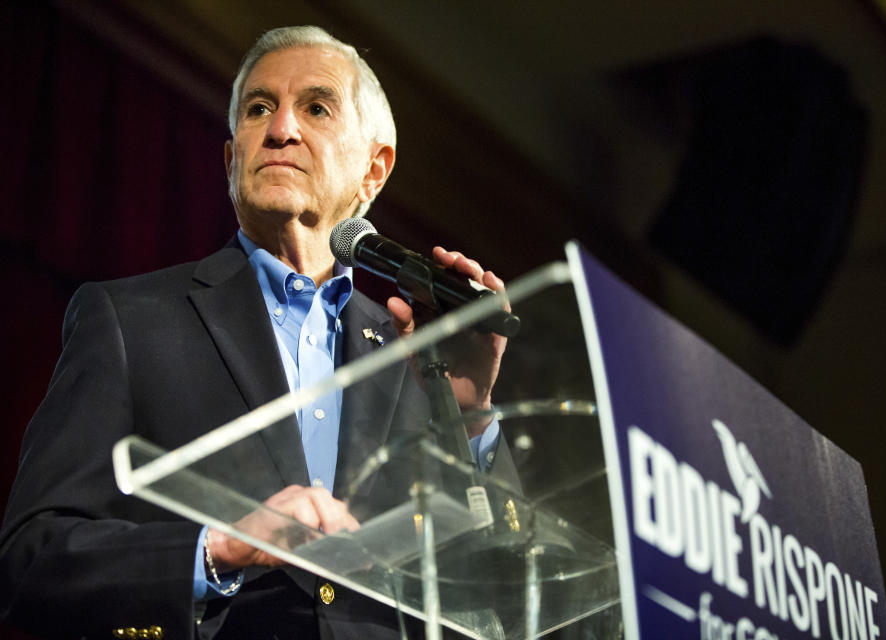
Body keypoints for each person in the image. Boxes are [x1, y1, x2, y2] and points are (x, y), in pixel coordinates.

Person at [0, 25, 514, 639]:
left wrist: (472, 417)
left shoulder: (415, 354)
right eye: (259, 109)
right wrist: (219, 548)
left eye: (315, 108)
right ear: (230, 159)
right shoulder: (130, 320)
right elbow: (33, 560)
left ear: (373, 172)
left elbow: (506, 592)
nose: (280, 130)